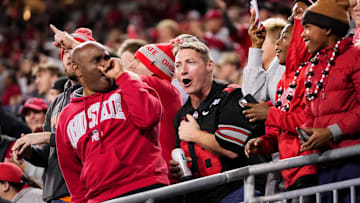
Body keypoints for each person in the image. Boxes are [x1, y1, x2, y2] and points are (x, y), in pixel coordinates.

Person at [56, 41, 169, 202]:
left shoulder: (131, 88)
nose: (105, 64)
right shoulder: (66, 116)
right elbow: (71, 172)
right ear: (77, 69)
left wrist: (122, 76)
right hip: (101, 198)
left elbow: (149, 118)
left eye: (107, 57)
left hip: (146, 187)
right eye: (97, 60)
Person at [170, 35, 266, 203]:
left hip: (240, 190)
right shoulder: (182, 113)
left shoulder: (232, 95)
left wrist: (195, 135)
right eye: (178, 65)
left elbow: (231, 149)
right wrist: (181, 166)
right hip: (202, 196)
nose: (183, 70)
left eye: (190, 63)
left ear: (209, 65)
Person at [12, 26, 96, 203]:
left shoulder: (96, 93)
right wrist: (29, 153)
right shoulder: (57, 102)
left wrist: (45, 136)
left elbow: (88, 136)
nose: (69, 57)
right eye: (65, 52)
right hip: (54, 192)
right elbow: (47, 156)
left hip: (83, 190)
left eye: (74, 51)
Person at [300, 0, 360, 202]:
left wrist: (331, 132)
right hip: (324, 164)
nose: (303, 34)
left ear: (326, 29)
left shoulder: (356, 57)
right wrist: (308, 132)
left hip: (353, 162)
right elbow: (310, 113)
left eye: (307, 27)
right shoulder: (313, 67)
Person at [129, 42, 183, 183]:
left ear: (155, 69)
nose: (131, 65)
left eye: (139, 61)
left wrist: (77, 46)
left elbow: (119, 76)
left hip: (162, 178)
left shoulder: (161, 86)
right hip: (154, 174)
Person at [242, 11, 286, 104]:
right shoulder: (270, 71)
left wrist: (269, 113)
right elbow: (251, 96)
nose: (257, 44)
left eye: (262, 41)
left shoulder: (284, 68)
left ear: (277, 43)